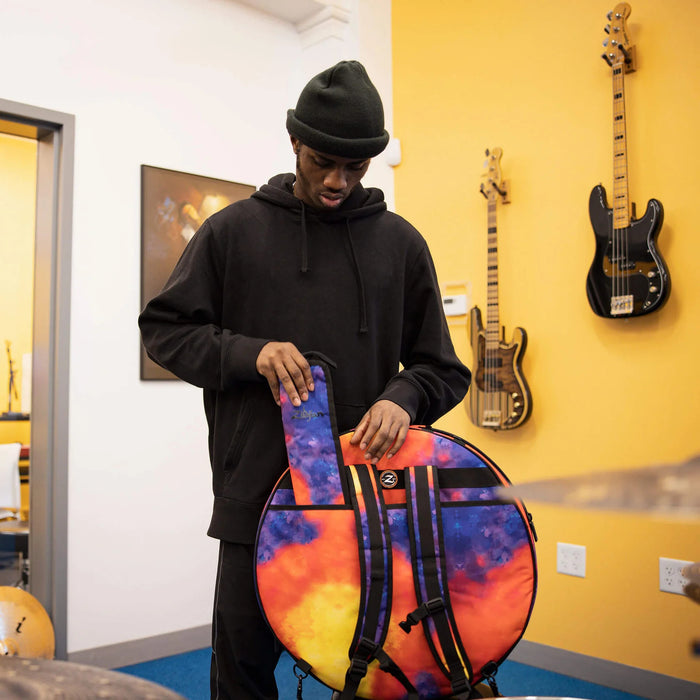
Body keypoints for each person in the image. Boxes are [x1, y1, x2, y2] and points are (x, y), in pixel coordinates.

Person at [138, 60, 471, 700]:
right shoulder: (230, 233)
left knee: (382, 675)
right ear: (294, 143)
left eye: (357, 167)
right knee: (243, 679)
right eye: (323, 161)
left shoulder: (401, 246)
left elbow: (442, 370)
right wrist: (250, 354)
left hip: (373, 504)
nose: (338, 182)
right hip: (256, 506)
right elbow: (164, 332)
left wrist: (404, 399)